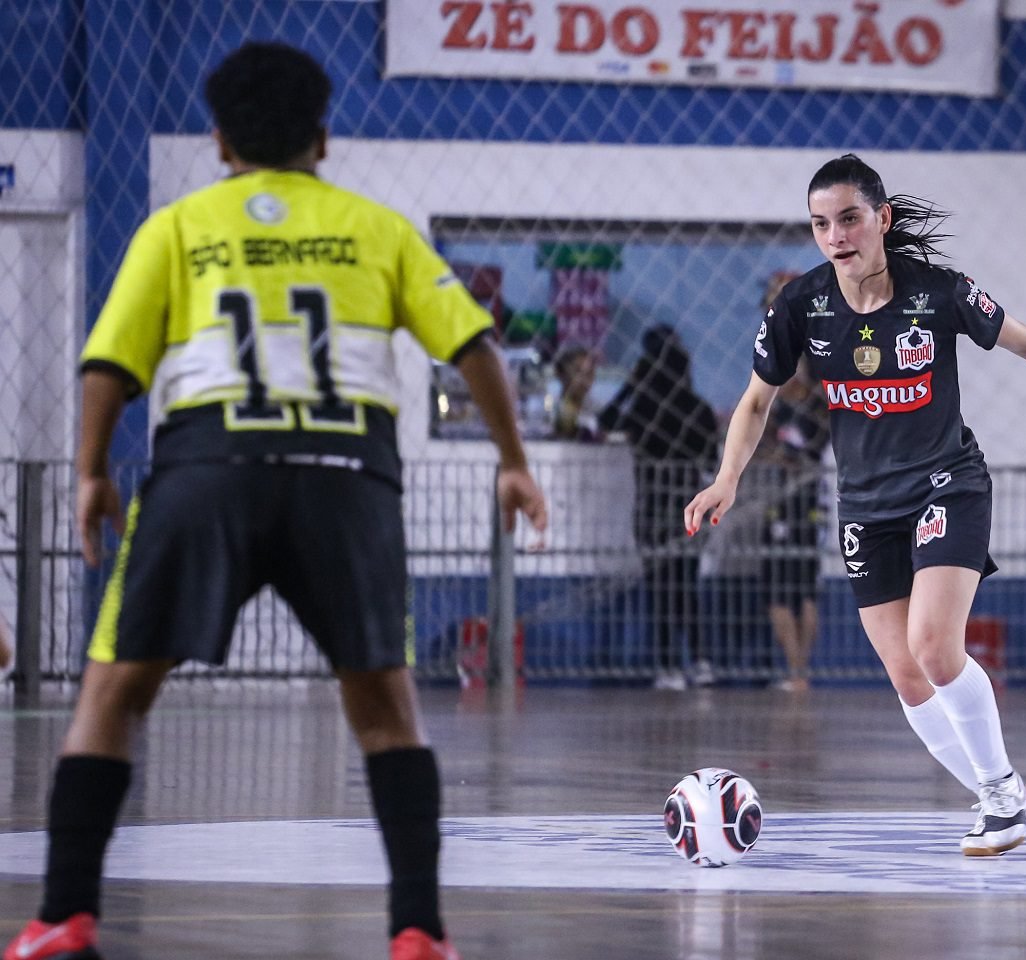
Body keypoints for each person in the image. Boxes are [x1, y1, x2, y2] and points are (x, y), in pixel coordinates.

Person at [4, 42, 546, 960]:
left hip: (207, 468)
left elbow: (110, 364)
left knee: (113, 692)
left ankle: (62, 915)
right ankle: (417, 930)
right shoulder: (378, 229)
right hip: (346, 478)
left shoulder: (179, 227)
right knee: (385, 707)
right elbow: (475, 348)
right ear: (323, 139)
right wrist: (513, 460)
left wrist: (92, 471)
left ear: (218, 143)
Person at [685, 154, 1026, 856]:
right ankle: (995, 793)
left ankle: (1004, 795)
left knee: (933, 647)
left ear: (882, 219)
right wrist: (728, 477)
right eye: (821, 223)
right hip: (865, 505)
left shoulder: (937, 293)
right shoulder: (801, 305)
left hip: (947, 482)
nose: (836, 235)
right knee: (906, 675)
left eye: (850, 218)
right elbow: (758, 397)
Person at [600, 325, 717, 690]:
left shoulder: (644, 409)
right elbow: (711, 455)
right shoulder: (698, 408)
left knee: (660, 587)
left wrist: (631, 387)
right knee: (686, 584)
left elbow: (606, 422)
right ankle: (700, 660)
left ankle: (668, 666)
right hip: (688, 505)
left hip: (652, 505)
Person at [754, 351, 829, 693]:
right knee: (804, 591)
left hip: (785, 508)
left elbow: (763, 448)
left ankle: (796, 670)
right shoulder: (822, 409)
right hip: (812, 504)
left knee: (780, 593)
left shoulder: (779, 411)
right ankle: (801, 670)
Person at [550, 343, 600, 441]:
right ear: (560, 374)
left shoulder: (596, 411)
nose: (584, 380)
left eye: (589, 373)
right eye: (578, 372)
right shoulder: (549, 411)